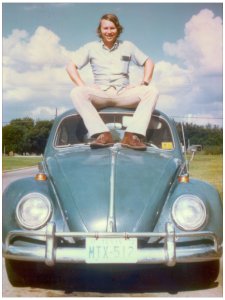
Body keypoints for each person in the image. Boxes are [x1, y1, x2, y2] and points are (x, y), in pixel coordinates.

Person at [66, 13, 159, 150]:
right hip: (101, 93)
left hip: (123, 93)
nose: (109, 32)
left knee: (152, 91)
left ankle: (131, 136)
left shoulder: (128, 46)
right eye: (105, 28)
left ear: (118, 29)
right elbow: (70, 66)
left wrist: (144, 82)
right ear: (100, 30)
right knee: (76, 92)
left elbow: (149, 62)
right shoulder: (90, 47)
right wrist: (83, 85)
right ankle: (103, 134)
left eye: (112, 28)